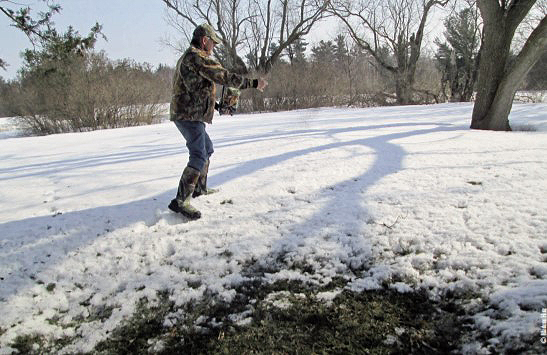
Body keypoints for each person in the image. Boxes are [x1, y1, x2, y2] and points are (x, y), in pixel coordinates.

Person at [168, 23, 268, 219]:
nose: (213, 47)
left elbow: (196, 90)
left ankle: (199, 189)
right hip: (188, 116)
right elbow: (224, 76)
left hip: (190, 113)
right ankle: (181, 201)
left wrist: (217, 106)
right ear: (204, 40)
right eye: (213, 43)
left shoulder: (191, 57)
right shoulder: (197, 57)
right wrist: (254, 83)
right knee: (198, 155)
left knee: (207, 149)